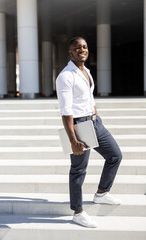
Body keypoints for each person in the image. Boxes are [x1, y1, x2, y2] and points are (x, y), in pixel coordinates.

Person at [56, 36, 122, 228]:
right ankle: (77, 212)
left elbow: (89, 98)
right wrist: (73, 140)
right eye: (77, 48)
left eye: (84, 47)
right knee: (78, 170)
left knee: (115, 155)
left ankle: (101, 193)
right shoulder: (66, 76)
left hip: (94, 123)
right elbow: (66, 111)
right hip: (79, 126)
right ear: (70, 52)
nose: (81, 50)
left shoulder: (86, 71)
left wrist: (95, 114)